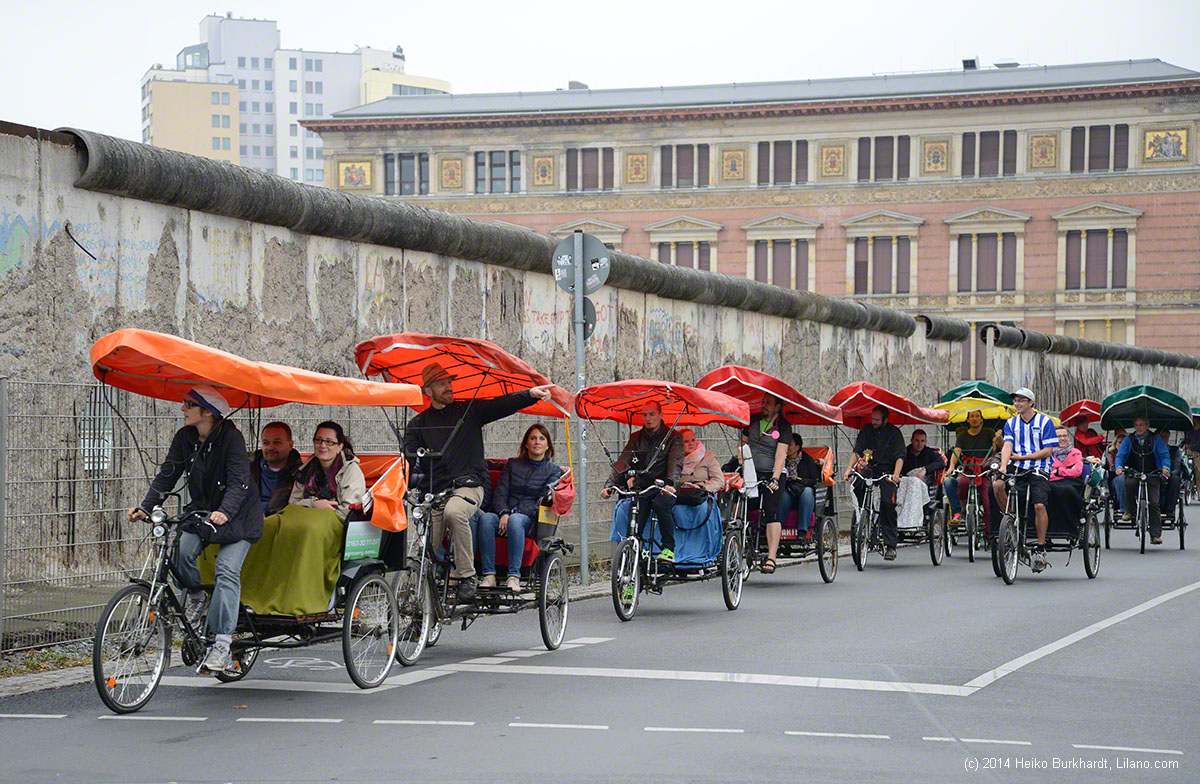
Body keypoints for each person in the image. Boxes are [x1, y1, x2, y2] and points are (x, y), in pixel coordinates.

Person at [127, 386, 263, 675]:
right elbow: (168, 473)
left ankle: (223, 645)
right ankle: (198, 598)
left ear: (208, 412)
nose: (182, 409)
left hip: (238, 517)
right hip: (203, 513)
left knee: (226, 569)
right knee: (181, 553)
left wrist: (225, 511)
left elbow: (240, 481)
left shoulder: (231, 438)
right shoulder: (185, 437)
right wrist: (147, 506)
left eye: (189, 404)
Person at [405, 362, 553, 601]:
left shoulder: (467, 412)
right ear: (428, 391)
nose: (449, 387)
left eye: (449, 382)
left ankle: (466, 576)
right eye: (442, 383)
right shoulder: (417, 425)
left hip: (469, 486)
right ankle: (419, 603)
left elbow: (500, 405)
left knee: (454, 512)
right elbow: (411, 463)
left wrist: (529, 395)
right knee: (425, 546)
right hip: (436, 492)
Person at [474, 424, 563, 592]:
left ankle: (513, 576)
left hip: (531, 518)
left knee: (515, 521)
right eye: (533, 438)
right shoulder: (512, 465)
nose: (537, 442)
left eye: (542, 439)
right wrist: (504, 513)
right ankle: (489, 574)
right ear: (526, 444)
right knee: (486, 519)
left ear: (548, 445)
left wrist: (514, 514)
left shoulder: (553, 470)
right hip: (504, 513)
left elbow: (543, 501)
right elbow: (500, 492)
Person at [601, 401, 684, 563]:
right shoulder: (636, 438)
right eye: (644, 415)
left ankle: (668, 549)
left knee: (661, 504)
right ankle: (635, 553)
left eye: (652, 414)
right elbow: (623, 462)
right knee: (636, 509)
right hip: (644, 487)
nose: (648, 418)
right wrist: (609, 486)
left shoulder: (674, 437)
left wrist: (671, 484)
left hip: (664, 486)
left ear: (660, 415)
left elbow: (676, 464)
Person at [995, 387, 1057, 572]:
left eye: (1022, 400)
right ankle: (1011, 523)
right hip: (1016, 464)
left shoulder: (1045, 421)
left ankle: (1040, 548)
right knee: (998, 485)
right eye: (1015, 400)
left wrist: (1022, 458)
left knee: (1039, 505)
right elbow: (1007, 445)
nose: (1017, 403)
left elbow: (1048, 451)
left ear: (1031, 403)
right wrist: (1004, 465)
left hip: (1039, 465)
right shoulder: (1011, 423)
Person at [843, 405, 905, 561]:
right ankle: (864, 514)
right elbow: (858, 451)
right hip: (871, 469)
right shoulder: (866, 430)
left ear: (885, 419)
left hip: (888, 472)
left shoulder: (894, 433)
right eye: (872, 419)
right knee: (857, 483)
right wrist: (849, 469)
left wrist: (896, 474)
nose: (873, 422)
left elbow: (900, 455)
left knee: (888, 503)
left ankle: (891, 545)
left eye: (877, 419)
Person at [738, 393, 791, 573]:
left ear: (778, 406)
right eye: (763, 402)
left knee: (771, 509)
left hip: (772, 472)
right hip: (752, 471)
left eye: (768, 403)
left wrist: (775, 478)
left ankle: (771, 557)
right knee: (741, 503)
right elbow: (742, 445)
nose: (764, 405)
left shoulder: (783, 426)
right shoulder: (752, 421)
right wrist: (741, 465)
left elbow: (781, 454)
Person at [289, 421, 366, 519]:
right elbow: (292, 504)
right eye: (318, 440)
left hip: (336, 524)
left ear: (339, 447)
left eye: (329, 442)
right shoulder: (305, 469)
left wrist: (317, 514)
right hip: (304, 519)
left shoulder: (351, 471)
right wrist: (314, 504)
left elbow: (347, 512)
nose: (322, 445)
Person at [1115, 417, 1171, 544]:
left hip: (1152, 474)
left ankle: (1155, 535)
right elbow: (1121, 455)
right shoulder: (1129, 440)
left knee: (1154, 503)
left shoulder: (1156, 440)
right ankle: (1130, 511)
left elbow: (1164, 455)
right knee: (1128, 484)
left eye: (1141, 425)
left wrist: (1165, 467)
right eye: (1136, 425)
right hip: (1134, 471)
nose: (1138, 427)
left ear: (1147, 426)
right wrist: (1119, 467)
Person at [944, 410, 995, 524]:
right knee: (961, 484)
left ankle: (990, 529)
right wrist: (951, 466)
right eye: (972, 416)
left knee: (987, 499)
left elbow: (997, 446)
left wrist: (998, 438)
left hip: (984, 471)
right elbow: (956, 451)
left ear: (981, 419)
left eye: (977, 416)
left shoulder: (988, 432)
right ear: (968, 420)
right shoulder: (963, 436)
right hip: (969, 470)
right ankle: (962, 511)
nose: (975, 418)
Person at [248, 421, 302, 515]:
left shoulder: (301, 473)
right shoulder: (247, 468)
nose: (270, 447)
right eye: (266, 443)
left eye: (277, 442)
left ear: (290, 445)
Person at [897, 429, 945, 528]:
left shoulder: (930, 453)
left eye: (922, 441)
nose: (919, 444)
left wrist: (925, 470)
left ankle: (915, 521)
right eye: (917, 441)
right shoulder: (904, 453)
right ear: (911, 440)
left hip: (924, 487)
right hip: (905, 485)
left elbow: (941, 463)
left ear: (925, 442)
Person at [779, 433, 822, 537]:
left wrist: (802, 480)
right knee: (784, 495)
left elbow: (815, 479)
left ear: (797, 447)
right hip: (788, 489)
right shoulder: (780, 459)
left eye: (790, 445)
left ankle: (802, 530)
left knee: (807, 492)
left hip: (803, 490)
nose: (787, 447)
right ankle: (776, 527)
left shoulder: (807, 460)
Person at [678, 428, 725, 503]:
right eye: (686, 441)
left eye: (693, 440)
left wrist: (701, 487)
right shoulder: (674, 459)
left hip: (703, 495)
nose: (691, 443)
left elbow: (719, 481)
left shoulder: (708, 457)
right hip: (682, 495)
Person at [1107, 430, 1128, 516]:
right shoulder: (1110, 453)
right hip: (1115, 478)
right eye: (1119, 442)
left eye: (1123, 443)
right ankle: (1124, 508)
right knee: (1121, 479)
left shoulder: (1130, 453)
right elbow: (1111, 466)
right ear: (1115, 444)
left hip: (1129, 476)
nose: (1121, 445)